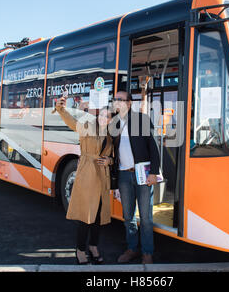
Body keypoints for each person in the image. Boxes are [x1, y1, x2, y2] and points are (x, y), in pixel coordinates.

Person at [55, 96, 114, 265]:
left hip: (102, 178)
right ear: (98, 116)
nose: (104, 118)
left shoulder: (109, 136)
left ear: (111, 120)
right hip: (88, 174)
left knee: (98, 216)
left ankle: (93, 246)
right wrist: (61, 109)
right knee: (85, 215)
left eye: (108, 116)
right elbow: (72, 123)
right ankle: (80, 249)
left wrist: (109, 161)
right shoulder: (88, 127)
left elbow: (112, 156)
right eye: (102, 115)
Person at [111, 91, 161, 265]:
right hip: (124, 175)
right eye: (115, 100)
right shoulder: (114, 123)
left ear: (129, 103)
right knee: (128, 216)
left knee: (146, 217)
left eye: (120, 100)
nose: (117, 102)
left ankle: (147, 253)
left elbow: (154, 147)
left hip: (143, 175)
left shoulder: (142, 120)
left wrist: (154, 172)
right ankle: (132, 249)